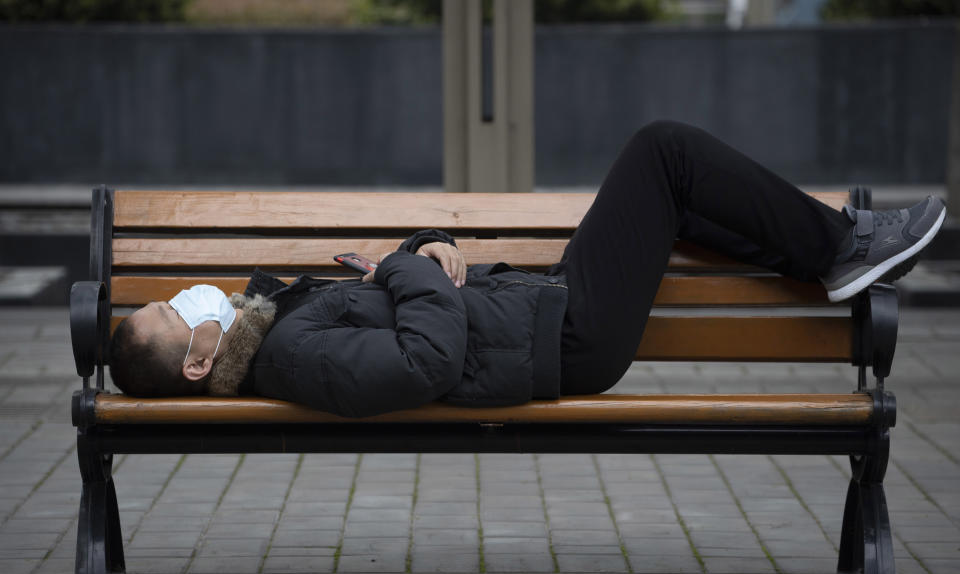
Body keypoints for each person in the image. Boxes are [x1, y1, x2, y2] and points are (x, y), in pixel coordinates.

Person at [109, 120, 947, 417]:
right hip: (563, 337)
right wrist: (409, 268)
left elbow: (403, 295)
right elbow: (422, 362)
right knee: (662, 151)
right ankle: (842, 250)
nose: (190, 296)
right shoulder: (289, 360)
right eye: (180, 312)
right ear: (197, 361)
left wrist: (421, 246)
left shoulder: (273, 328)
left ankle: (836, 253)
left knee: (678, 193)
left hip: (539, 309)